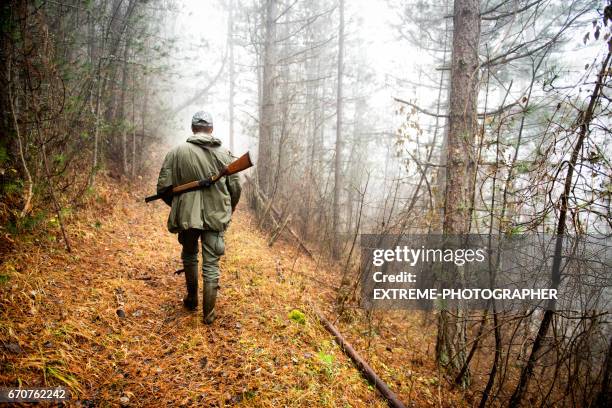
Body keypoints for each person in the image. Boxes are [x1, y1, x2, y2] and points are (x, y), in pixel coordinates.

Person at [156, 111, 241, 324]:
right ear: (211, 129)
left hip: (187, 215)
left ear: (193, 128)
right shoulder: (226, 153)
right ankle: (209, 315)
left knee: (190, 254)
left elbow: (163, 188)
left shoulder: (176, 153)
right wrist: (227, 209)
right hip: (216, 215)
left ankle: (192, 299)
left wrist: (180, 206)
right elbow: (236, 188)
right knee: (211, 265)